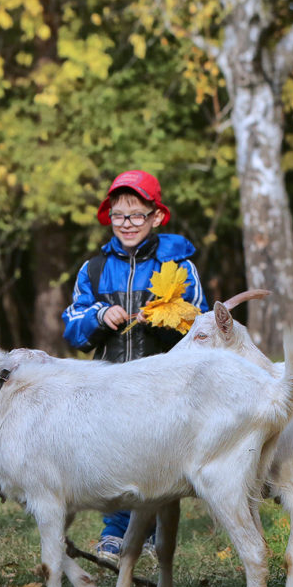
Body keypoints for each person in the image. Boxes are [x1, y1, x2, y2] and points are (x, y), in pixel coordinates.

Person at [61, 169, 207, 563]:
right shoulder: (93, 270)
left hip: (163, 382)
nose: (127, 224)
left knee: (156, 457)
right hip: (109, 382)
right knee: (113, 455)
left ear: (156, 217)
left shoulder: (178, 266)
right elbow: (72, 327)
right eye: (119, 215)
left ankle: (151, 532)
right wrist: (98, 316)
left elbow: (202, 324)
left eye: (136, 215)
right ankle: (115, 532)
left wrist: (169, 319)